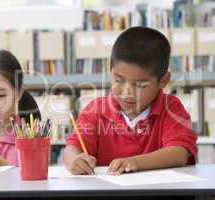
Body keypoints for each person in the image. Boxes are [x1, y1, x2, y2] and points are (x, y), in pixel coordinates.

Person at [63, 26, 197, 175]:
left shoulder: (170, 108)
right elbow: (72, 148)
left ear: (163, 80)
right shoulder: (95, 110)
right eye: (119, 80)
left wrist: (134, 162)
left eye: (140, 85)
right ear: (110, 70)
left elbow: (179, 153)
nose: (127, 92)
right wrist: (74, 160)